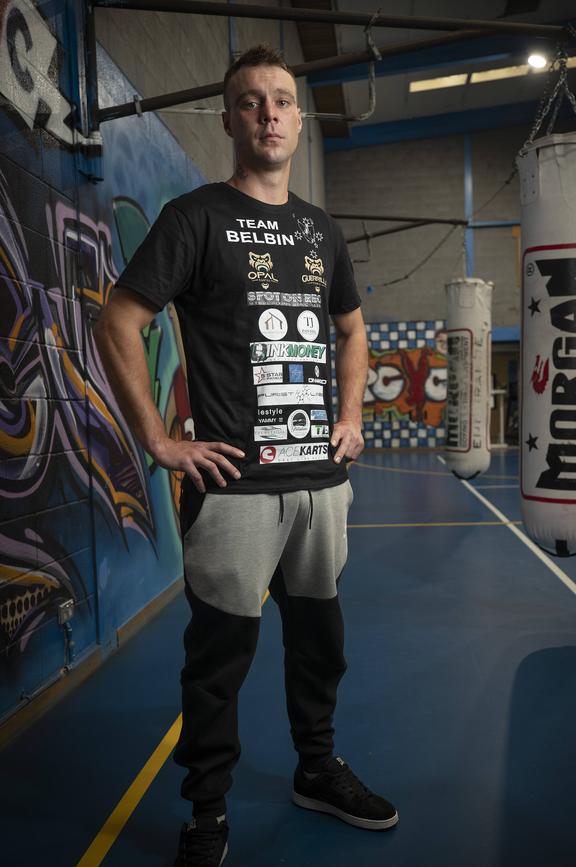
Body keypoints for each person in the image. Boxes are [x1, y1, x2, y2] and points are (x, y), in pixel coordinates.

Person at [94, 43, 398, 867]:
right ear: (229, 119)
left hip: (321, 486)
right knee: (218, 660)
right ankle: (208, 811)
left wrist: (351, 415)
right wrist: (158, 437)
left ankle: (316, 767)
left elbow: (352, 329)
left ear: (299, 119)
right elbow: (120, 319)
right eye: (251, 101)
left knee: (319, 642)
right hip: (233, 489)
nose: (268, 113)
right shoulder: (195, 216)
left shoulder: (320, 229)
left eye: (281, 100)